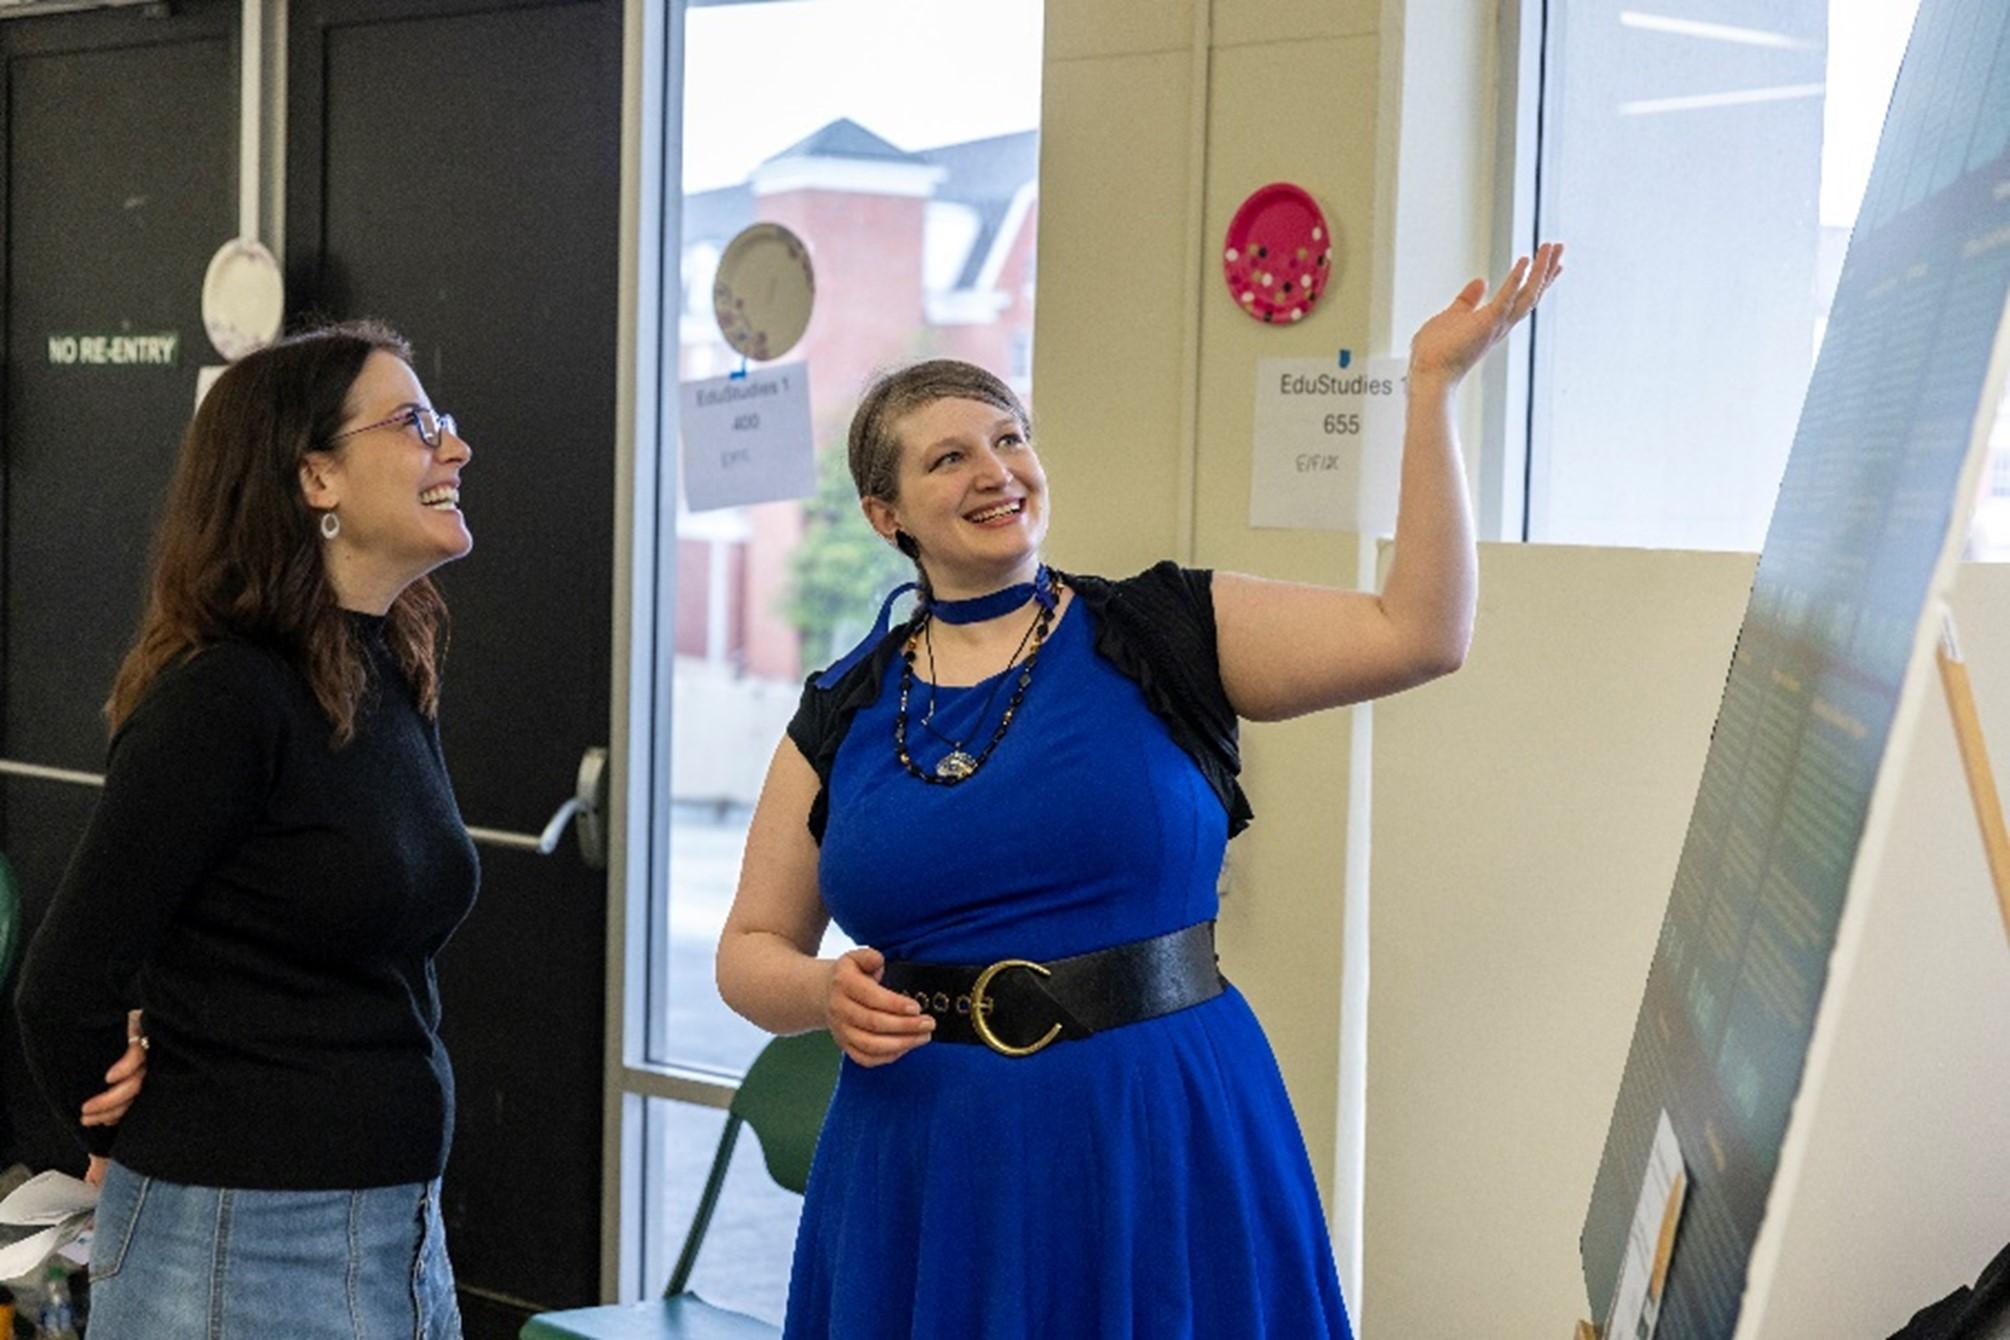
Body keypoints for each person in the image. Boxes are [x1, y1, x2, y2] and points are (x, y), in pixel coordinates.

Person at [716, 244, 1564, 1337]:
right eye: (948, 459)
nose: (995, 470)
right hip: (928, 1156)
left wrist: (1433, 391)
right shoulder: (843, 708)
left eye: (1010, 437)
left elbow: (1422, 632)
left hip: (1160, 1125)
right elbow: (751, 946)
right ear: (888, 516)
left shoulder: (1167, 629)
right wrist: (819, 994)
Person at [14, 320, 479, 1340]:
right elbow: (65, 983)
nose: (454, 446)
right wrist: (118, 1125)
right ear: (315, 477)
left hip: (397, 1229)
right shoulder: (223, 697)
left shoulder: (384, 670)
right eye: (414, 422)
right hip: (237, 1246)